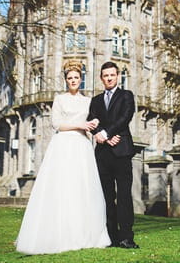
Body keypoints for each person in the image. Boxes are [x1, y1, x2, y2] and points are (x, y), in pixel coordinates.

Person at [15, 61, 111, 255]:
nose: (73, 81)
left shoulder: (88, 101)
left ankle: (84, 232)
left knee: (82, 188)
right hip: (63, 144)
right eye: (70, 78)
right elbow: (57, 124)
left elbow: (93, 122)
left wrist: (95, 126)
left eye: (76, 77)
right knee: (61, 186)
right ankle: (58, 233)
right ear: (66, 80)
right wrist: (81, 125)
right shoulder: (59, 99)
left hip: (82, 146)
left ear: (81, 79)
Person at [88, 61, 139, 249]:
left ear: (117, 76)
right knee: (106, 197)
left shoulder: (126, 96)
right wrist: (103, 136)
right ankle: (111, 237)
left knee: (124, 195)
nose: (109, 78)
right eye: (105, 75)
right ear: (101, 78)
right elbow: (91, 120)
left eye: (112, 75)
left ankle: (127, 237)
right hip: (102, 154)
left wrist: (106, 133)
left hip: (122, 151)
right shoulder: (95, 101)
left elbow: (125, 117)